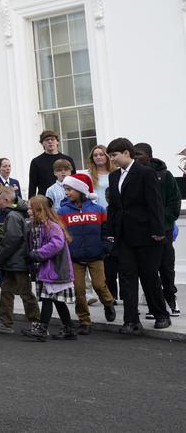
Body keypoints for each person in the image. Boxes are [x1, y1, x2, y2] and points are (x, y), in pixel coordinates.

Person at [106, 137, 170, 334]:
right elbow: (114, 207)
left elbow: (155, 204)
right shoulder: (114, 176)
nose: (112, 159)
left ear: (126, 152)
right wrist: (110, 231)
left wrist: (158, 231)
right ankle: (131, 320)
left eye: (114, 155)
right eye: (111, 156)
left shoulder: (146, 173)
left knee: (149, 276)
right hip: (124, 235)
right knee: (126, 277)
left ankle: (161, 315)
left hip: (146, 235)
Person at [56, 173, 116, 334]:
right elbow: (60, 234)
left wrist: (105, 248)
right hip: (74, 258)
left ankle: (108, 303)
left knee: (99, 285)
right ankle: (84, 321)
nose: (66, 192)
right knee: (79, 290)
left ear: (80, 190)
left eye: (69, 189)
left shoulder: (99, 209)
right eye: (65, 189)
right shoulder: (62, 211)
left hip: (96, 256)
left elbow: (106, 232)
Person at [134, 142, 182, 318]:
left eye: (138, 154)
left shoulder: (164, 175)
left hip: (164, 230)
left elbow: (174, 202)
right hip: (143, 231)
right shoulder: (133, 176)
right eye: (133, 154)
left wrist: (162, 223)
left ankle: (170, 296)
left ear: (149, 155)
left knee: (166, 266)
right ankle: (154, 304)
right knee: (148, 269)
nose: (135, 157)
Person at [22, 196, 78, 341]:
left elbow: (57, 244)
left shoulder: (51, 226)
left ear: (39, 209)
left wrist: (37, 254)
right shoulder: (38, 225)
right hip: (48, 270)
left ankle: (42, 329)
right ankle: (69, 328)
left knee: (48, 298)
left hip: (54, 269)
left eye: (30, 208)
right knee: (57, 300)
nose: (28, 210)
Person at [0, 186, 40, 334]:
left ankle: (35, 322)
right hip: (13, 262)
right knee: (7, 291)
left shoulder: (12, 216)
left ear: (6, 200)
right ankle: (6, 323)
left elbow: (12, 239)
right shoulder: (16, 215)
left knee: (25, 293)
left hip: (16, 262)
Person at [84, 144, 118, 303]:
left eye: (101, 154)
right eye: (95, 155)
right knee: (102, 255)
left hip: (114, 215)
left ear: (107, 156)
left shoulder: (116, 173)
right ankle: (107, 291)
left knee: (117, 254)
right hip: (97, 217)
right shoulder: (89, 175)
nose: (98, 157)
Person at [28, 130, 76, 198]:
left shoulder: (68, 159)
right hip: (44, 200)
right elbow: (32, 185)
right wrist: (31, 203)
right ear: (42, 143)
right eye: (47, 140)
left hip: (66, 197)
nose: (50, 142)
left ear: (57, 141)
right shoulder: (36, 162)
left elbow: (74, 180)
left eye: (52, 139)